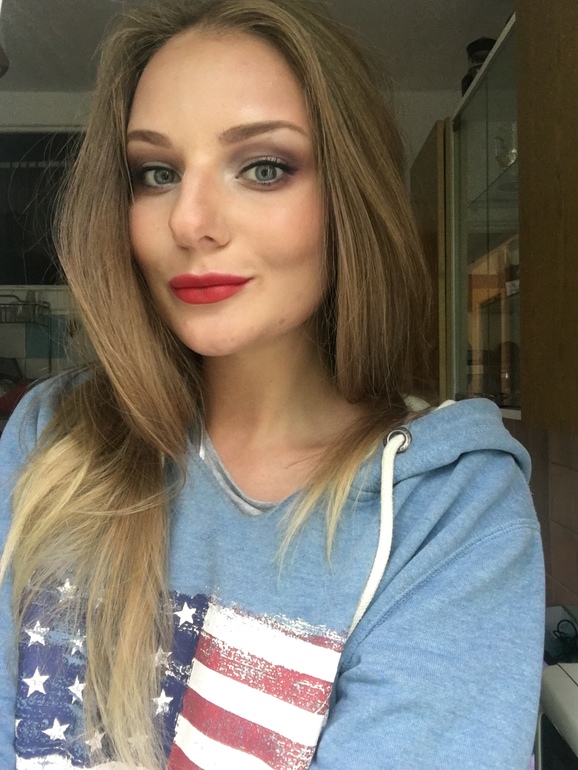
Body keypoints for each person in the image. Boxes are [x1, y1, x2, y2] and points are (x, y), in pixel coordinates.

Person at [0, 0, 544, 768]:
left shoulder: (446, 505)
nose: (189, 221)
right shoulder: (56, 436)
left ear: (348, 198)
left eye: (263, 167)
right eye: (157, 173)